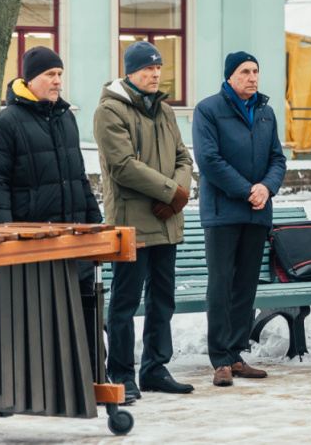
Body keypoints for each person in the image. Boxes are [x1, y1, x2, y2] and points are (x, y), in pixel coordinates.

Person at [0, 47, 103, 370]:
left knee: (85, 318)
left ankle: (92, 379)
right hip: (35, 245)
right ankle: (43, 384)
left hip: (75, 241)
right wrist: (5, 237)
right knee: (39, 324)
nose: (57, 81)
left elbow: (79, 177)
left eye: (60, 74)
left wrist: (95, 224)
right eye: (50, 74)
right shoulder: (5, 123)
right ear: (30, 79)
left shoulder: (66, 118)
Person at [94, 41, 195, 401]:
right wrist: (171, 193)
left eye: (158, 68)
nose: (155, 74)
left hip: (166, 222)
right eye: (148, 68)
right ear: (131, 72)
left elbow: (184, 159)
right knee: (125, 303)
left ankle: (155, 368)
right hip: (131, 223)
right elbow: (122, 166)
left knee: (162, 300)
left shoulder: (164, 110)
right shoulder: (110, 110)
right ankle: (122, 373)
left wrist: (177, 193)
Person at [193, 51, 287, 387]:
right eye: (245, 71)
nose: (252, 77)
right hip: (223, 214)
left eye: (256, 71)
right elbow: (209, 160)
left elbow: (277, 159)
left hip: (257, 213)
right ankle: (220, 359)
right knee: (221, 286)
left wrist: (267, 187)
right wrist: (248, 190)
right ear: (230, 76)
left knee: (245, 286)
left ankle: (235, 354)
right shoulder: (208, 109)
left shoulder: (265, 112)